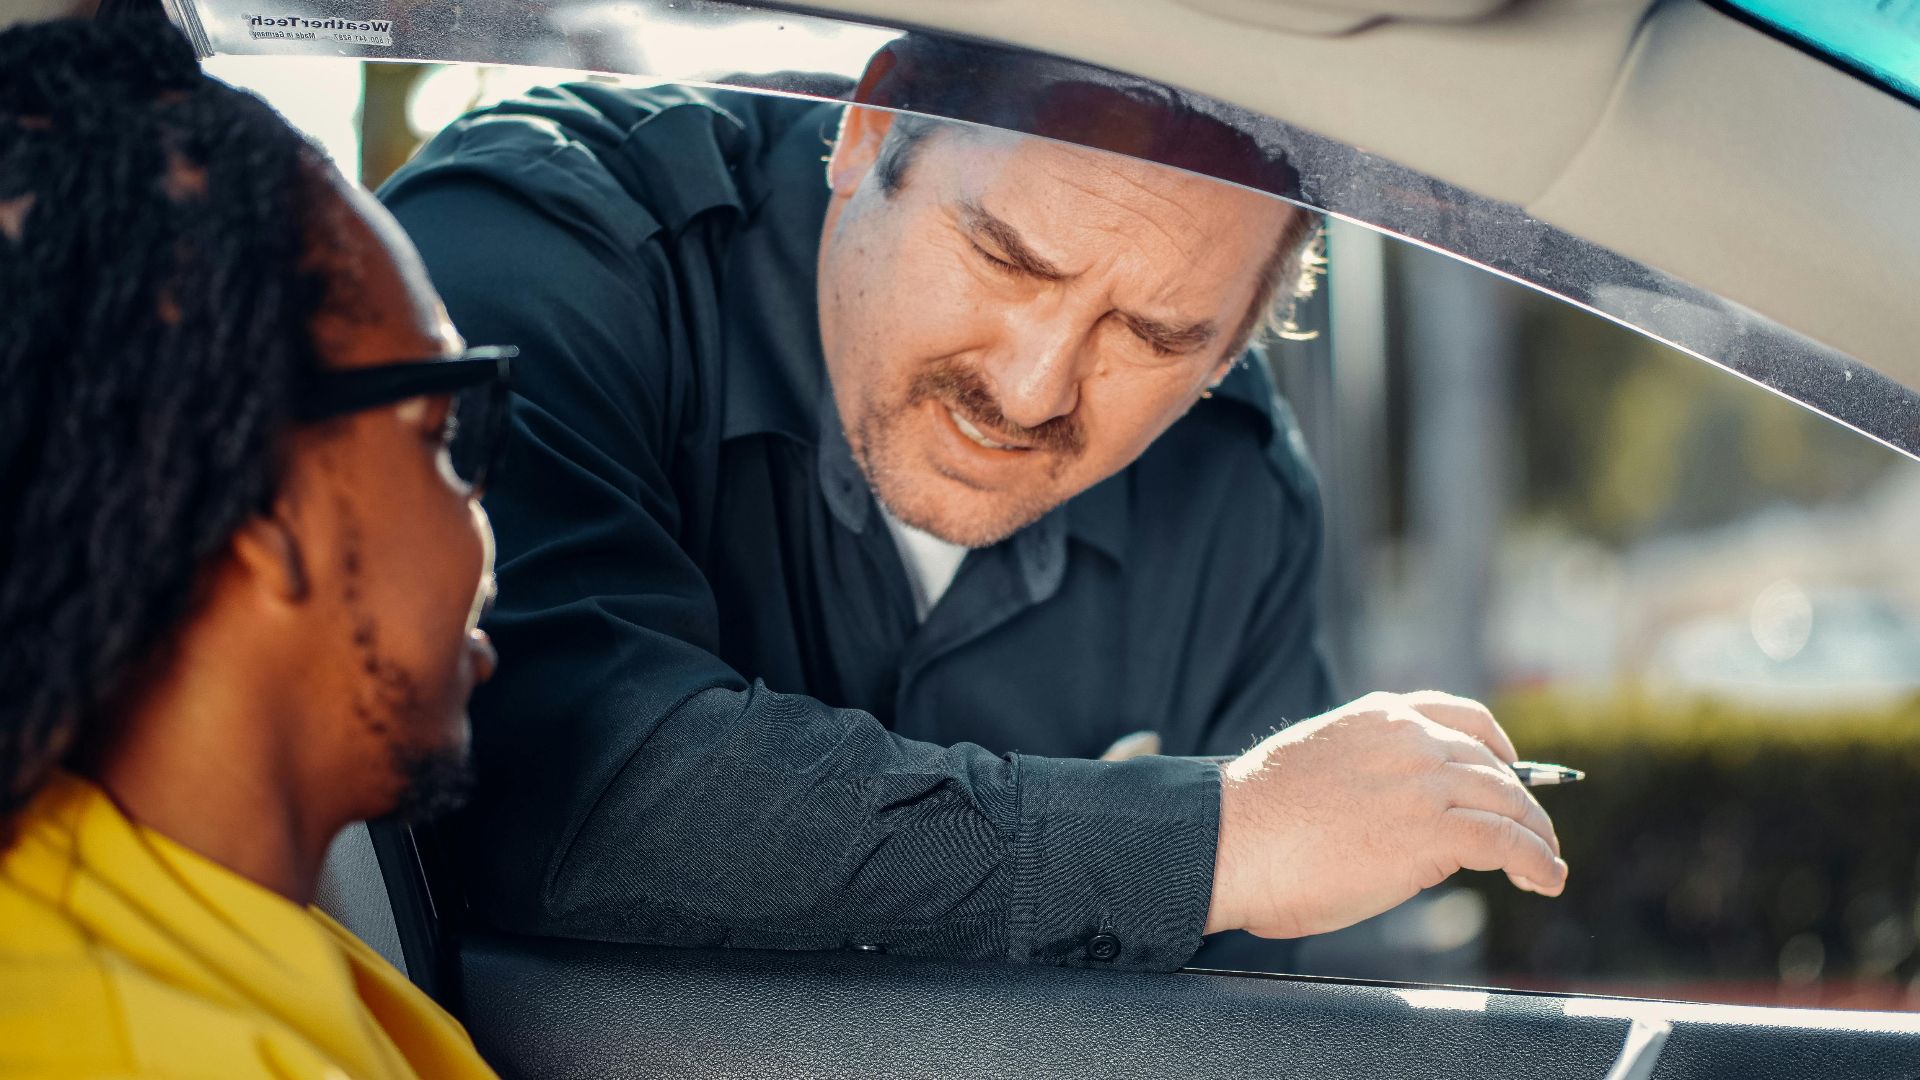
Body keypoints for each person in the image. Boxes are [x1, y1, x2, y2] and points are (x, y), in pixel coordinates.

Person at [383, 36, 1568, 973]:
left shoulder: (1237, 500)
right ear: (871, 126)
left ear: (1233, 347)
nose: (1032, 384)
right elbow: (570, 788)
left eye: (1154, 336)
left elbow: (1231, 1025)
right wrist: (1211, 837)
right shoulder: (537, 248)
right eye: (1006, 256)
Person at [0, 17, 507, 1077]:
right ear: (267, 502)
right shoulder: (139, 1048)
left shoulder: (188, 918)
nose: (483, 522)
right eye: (445, 436)